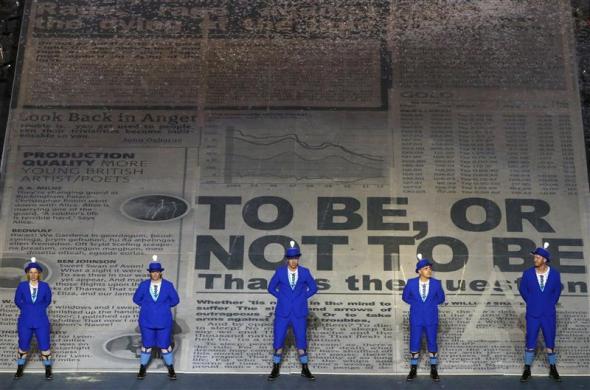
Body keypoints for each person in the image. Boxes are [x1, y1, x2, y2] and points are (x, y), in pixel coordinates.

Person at [267, 241, 318, 381]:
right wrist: (282, 298)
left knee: (301, 340)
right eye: (291, 258)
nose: (293, 261)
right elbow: (270, 288)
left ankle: (305, 369)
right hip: (283, 313)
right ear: (287, 259)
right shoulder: (280, 272)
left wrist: (302, 298)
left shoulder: (305, 272)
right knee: (278, 340)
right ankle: (275, 368)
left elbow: (313, 288)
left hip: (299, 313)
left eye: (296, 258)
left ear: (298, 258)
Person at [518, 242, 561, 382]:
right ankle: (527, 368)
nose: (534, 259)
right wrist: (531, 302)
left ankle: (553, 368)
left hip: (548, 314)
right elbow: (523, 290)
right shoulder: (528, 274)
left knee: (550, 341)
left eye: (537, 257)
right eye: (535, 257)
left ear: (544, 259)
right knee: (530, 341)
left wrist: (549, 304)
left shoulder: (555, 274)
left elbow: (556, 292)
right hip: (533, 314)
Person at [133, 255, 180, 380]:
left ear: (160, 273)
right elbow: (136, 298)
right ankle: (142, 368)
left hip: (164, 321)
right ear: (150, 273)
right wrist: (148, 307)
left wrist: (162, 308)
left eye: (157, 272)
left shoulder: (168, 285)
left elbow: (175, 300)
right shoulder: (143, 285)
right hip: (146, 321)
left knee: (165, 345)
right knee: (146, 345)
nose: (155, 274)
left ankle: (171, 369)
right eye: (152, 272)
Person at [402, 254, 445, 382]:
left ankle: (433, 369)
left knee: (432, 341)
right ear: (419, 271)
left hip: (431, 317)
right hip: (416, 318)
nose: (429, 270)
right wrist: (416, 304)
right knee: (414, 341)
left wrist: (430, 304)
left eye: (430, 268)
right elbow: (405, 297)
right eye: (426, 268)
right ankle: (413, 369)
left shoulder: (436, 283)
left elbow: (441, 298)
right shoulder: (411, 283)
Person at [14, 257, 53, 380]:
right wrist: (27, 308)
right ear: (27, 273)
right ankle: (20, 368)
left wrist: (38, 309)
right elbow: (17, 301)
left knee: (45, 344)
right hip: (25, 320)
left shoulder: (45, 286)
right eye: (31, 272)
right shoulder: (22, 286)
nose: (33, 275)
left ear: (39, 273)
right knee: (23, 344)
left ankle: (48, 369)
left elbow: (48, 301)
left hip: (41, 320)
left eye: (35, 272)